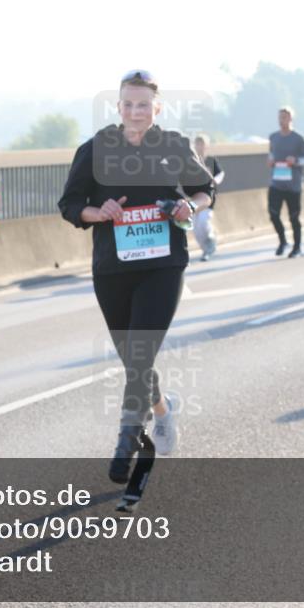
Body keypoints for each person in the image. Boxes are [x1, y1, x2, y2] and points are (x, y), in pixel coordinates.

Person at [58, 70, 213, 501]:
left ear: (156, 108)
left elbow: (204, 192)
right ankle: (162, 410)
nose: (135, 111)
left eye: (143, 104)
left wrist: (186, 205)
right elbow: (71, 205)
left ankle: (127, 441)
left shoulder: (173, 146)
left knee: (141, 351)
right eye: (128, 104)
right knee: (134, 360)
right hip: (113, 268)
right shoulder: (95, 151)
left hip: (163, 266)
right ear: (118, 107)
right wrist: (98, 211)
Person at [267, 107, 304, 257]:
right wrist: (270, 160)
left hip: (293, 185)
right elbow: (271, 153)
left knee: (294, 217)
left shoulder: (299, 138)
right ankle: (283, 241)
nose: (282, 120)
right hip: (276, 182)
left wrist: (296, 161)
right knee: (273, 214)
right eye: (280, 117)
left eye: (285, 117)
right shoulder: (273, 137)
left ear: (291, 119)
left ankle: (297, 247)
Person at [192, 134, 225, 261]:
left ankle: (210, 239)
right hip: (194, 197)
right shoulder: (192, 160)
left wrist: (215, 180)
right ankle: (205, 249)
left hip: (208, 196)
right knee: (195, 227)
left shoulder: (211, 160)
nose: (199, 146)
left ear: (206, 146)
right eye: (197, 143)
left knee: (203, 221)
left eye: (202, 144)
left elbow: (220, 173)